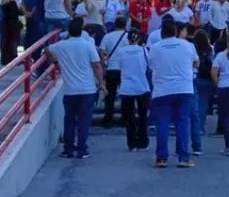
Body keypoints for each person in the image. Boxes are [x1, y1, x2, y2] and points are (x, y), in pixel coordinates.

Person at [47, 17, 104, 158]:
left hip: (70, 89)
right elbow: (97, 65)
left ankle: (68, 149)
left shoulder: (61, 45)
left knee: (69, 120)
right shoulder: (88, 45)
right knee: (84, 121)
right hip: (87, 88)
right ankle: (82, 149)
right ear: (81, 31)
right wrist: (101, 83)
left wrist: (55, 62)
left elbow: (47, 50)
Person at [147, 21, 198, 167]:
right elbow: (196, 63)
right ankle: (183, 157)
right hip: (183, 87)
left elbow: (150, 66)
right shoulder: (187, 45)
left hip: (162, 89)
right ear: (176, 31)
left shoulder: (155, 48)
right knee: (182, 122)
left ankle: (161, 158)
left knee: (162, 123)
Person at [115, 30, 151, 151]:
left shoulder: (121, 52)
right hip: (142, 86)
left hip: (126, 87)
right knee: (143, 116)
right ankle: (143, 141)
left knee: (129, 117)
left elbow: (119, 67)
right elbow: (149, 66)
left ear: (128, 39)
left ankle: (131, 143)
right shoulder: (144, 50)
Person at [0, 0, 22, 66]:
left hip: (5, 24)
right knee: (13, 42)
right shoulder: (12, 3)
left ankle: (4, 59)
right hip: (13, 24)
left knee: (5, 42)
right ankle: (12, 59)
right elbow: (19, 12)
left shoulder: (2, 3)